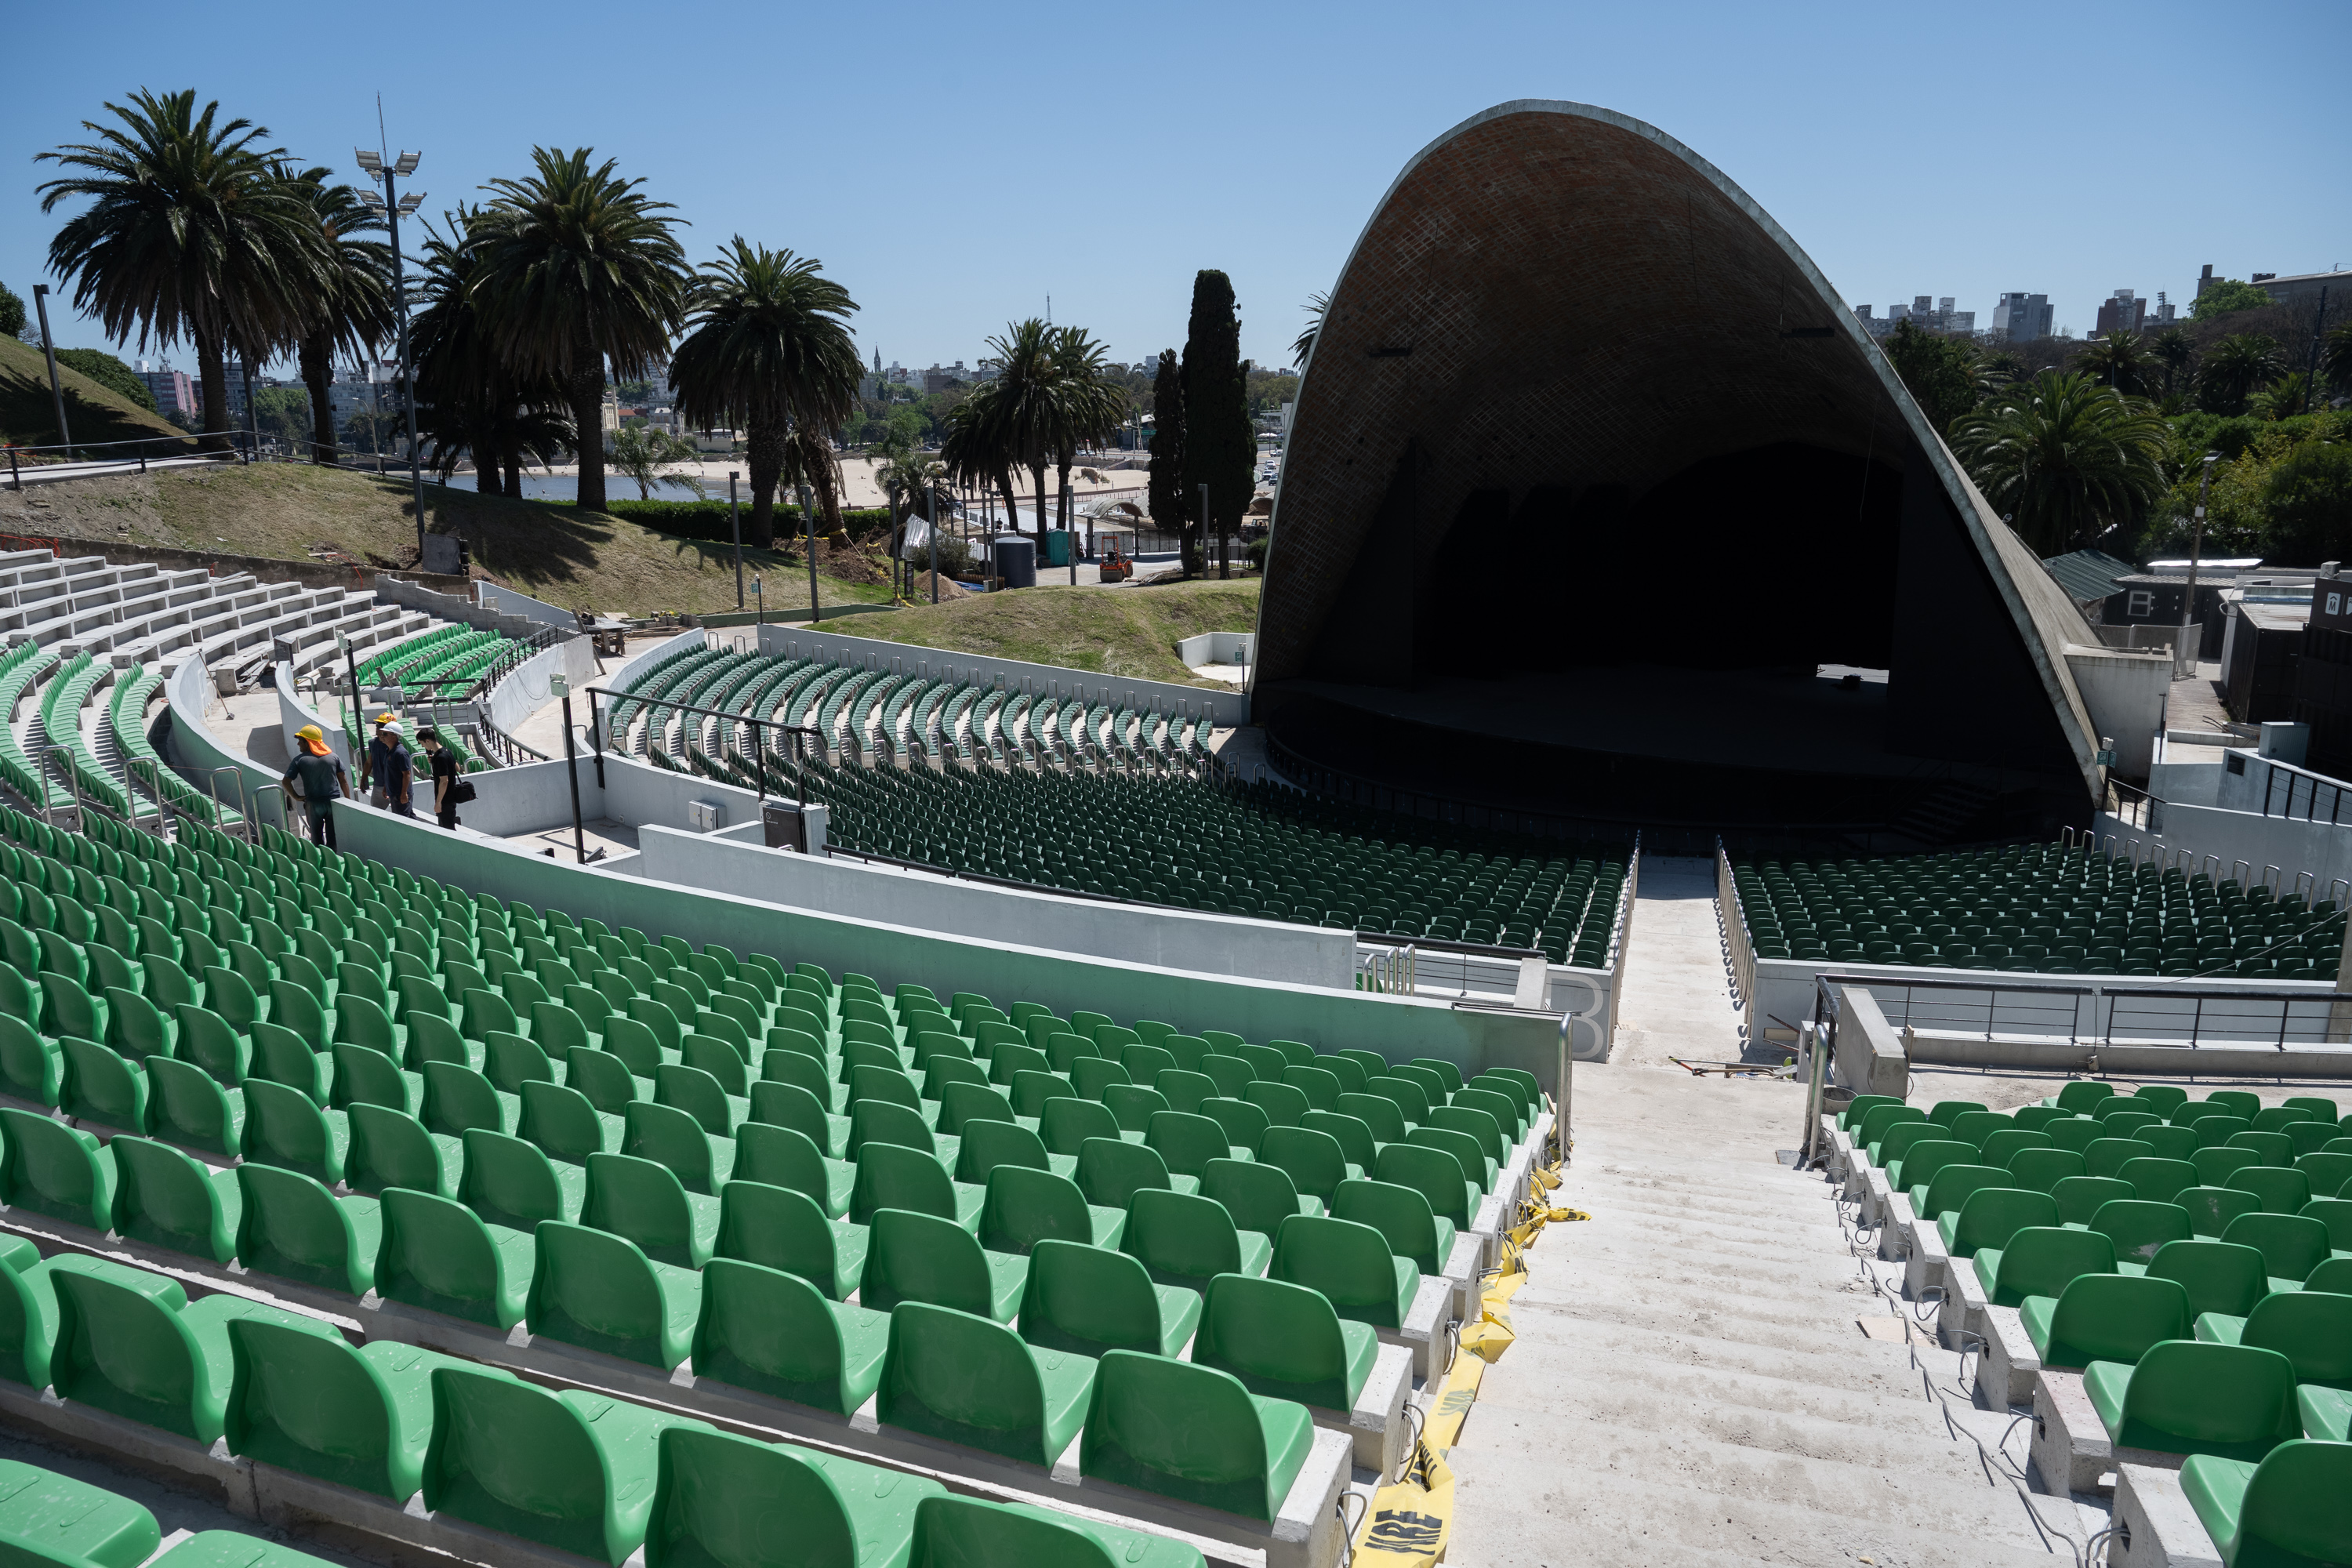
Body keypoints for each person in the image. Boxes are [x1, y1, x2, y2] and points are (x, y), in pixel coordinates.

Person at [280, 724, 351, 848]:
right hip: (333, 802)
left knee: (316, 838)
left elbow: (286, 781)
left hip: (314, 804)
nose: (298, 744)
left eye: (300, 741)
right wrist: (348, 801)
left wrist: (296, 797)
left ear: (308, 742)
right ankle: (332, 861)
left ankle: (321, 863)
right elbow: (343, 780)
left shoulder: (299, 760)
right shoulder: (334, 757)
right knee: (333, 837)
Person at [369, 716, 416, 818]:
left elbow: (406, 774)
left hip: (400, 794)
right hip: (393, 792)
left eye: (385, 734)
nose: (382, 736)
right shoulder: (389, 750)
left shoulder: (401, 753)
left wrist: (404, 793)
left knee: (404, 820)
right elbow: (388, 772)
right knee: (408, 817)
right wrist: (386, 788)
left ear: (394, 736)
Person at [418, 727, 462, 831]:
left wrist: (438, 803)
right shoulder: (446, 751)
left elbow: (444, 781)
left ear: (427, 741)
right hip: (452, 798)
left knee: (448, 829)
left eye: (422, 743)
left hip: (445, 801)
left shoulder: (440, 758)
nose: (422, 746)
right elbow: (458, 768)